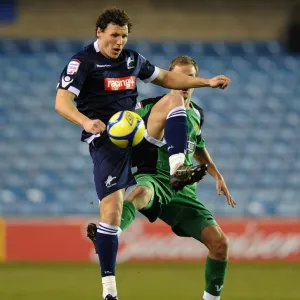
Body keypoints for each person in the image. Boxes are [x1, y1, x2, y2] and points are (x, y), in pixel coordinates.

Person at [55, 7, 231, 300]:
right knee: (111, 216)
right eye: (114, 35)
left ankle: (177, 168)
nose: (119, 42)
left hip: (137, 132)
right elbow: (61, 103)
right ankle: (109, 291)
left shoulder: (132, 59)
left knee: (174, 98)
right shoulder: (82, 62)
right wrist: (86, 121)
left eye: (123, 36)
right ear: (99, 33)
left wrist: (207, 82)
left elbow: (167, 79)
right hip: (108, 141)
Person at [88, 56, 236, 300]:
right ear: (170, 79)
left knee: (220, 245)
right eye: (180, 77)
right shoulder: (149, 106)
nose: (185, 83)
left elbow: (197, 146)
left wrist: (216, 173)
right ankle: (108, 234)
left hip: (184, 192)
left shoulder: (197, 114)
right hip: (155, 178)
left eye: (190, 77)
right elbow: (122, 124)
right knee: (139, 193)